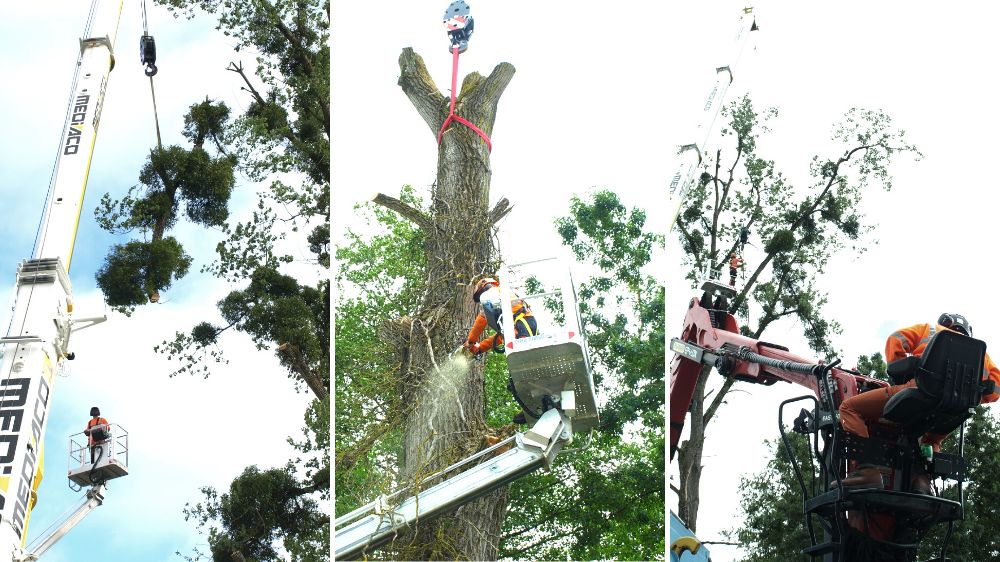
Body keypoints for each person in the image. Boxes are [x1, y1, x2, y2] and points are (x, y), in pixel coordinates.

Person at [836, 314, 1000, 493]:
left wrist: (900, 372)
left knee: (849, 407)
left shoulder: (930, 329)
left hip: (918, 393)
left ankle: (867, 471)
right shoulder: (981, 354)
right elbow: (995, 389)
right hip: (952, 411)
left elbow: (895, 340)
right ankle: (922, 482)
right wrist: (969, 396)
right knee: (931, 440)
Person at [465, 277, 537, 356]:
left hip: (522, 322)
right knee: (524, 351)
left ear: (484, 287)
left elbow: (482, 319)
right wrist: (480, 348)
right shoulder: (502, 302)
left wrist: (470, 341)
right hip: (526, 323)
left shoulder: (493, 292)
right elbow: (500, 337)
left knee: (523, 348)